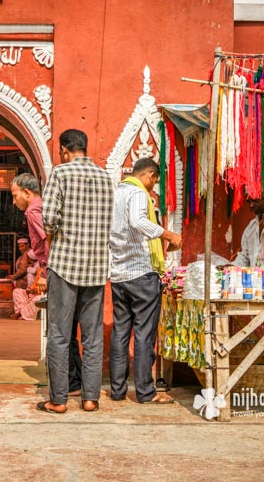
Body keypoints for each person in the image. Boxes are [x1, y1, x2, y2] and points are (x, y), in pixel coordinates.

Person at [37, 129, 113, 414]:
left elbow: (48, 218)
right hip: (96, 267)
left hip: (65, 266)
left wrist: (56, 234)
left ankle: (58, 400)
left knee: (58, 333)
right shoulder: (106, 177)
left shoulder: (61, 173)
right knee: (92, 336)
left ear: (64, 150)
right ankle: (90, 398)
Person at [109, 158, 182, 404]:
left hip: (119, 274)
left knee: (120, 332)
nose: (153, 187)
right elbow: (138, 221)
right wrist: (168, 233)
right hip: (141, 274)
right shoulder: (139, 193)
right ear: (150, 175)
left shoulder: (116, 193)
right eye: (155, 182)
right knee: (144, 334)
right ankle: (145, 392)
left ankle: (117, 390)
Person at [11, 172, 83, 394]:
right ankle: (77, 379)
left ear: (27, 192)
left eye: (15, 196)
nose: (14, 202)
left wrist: (43, 272)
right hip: (70, 268)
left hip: (54, 270)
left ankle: (70, 381)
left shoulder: (33, 211)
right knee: (70, 328)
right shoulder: (45, 206)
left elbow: (48, 240)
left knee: (59, 330)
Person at [10, 249, 42, 320]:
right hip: (31, 292)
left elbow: (46, 286)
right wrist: (29, 290)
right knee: (17, 291)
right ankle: (24, 314)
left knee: (39, 299)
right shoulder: (33, 269)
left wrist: (37, 291)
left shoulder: (43, 269)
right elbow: (32, 285)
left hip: (40, 294)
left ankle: (20, 314)